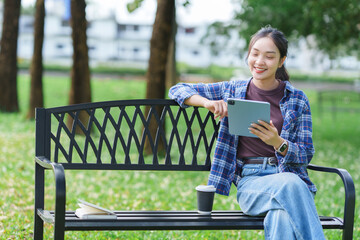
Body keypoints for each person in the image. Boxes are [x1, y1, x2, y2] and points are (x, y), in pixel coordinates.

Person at [169, 26, 325, 239]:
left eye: (269, 57)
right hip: (251, 183)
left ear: (281, 61)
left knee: (280, 214)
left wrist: (278, 142)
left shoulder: (297, 99)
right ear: (248, 56)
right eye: (255, 54)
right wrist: (208, 103)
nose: (260, 62)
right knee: (292, 184)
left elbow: (306, 153)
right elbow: (177, 89)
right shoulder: (232, 90)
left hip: (286, 176)